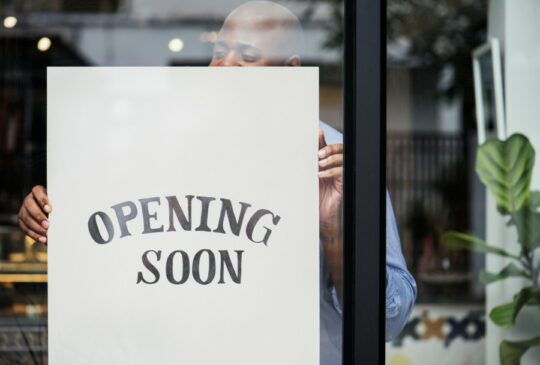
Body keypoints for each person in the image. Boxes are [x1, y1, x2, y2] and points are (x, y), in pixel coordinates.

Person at [17, 1, 416, 363]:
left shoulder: (337, 162)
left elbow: (387, 321)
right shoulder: (163, 150)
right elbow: (123, 251)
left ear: (290, 70)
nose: (225, 66)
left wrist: (334, 231)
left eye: (248, 55)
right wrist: (55, 213)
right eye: (218, 52)